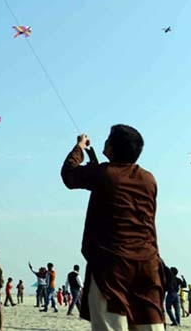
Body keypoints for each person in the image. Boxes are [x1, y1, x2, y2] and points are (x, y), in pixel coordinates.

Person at [61, 127, 165, 330]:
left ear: (113, 147)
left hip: (110, 267)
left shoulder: (104, 173)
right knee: (150, 325)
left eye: (109, 139)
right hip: (147, 266)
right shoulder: (149, 179)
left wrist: (79, 147)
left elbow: (69, 174)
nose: (105, 142)